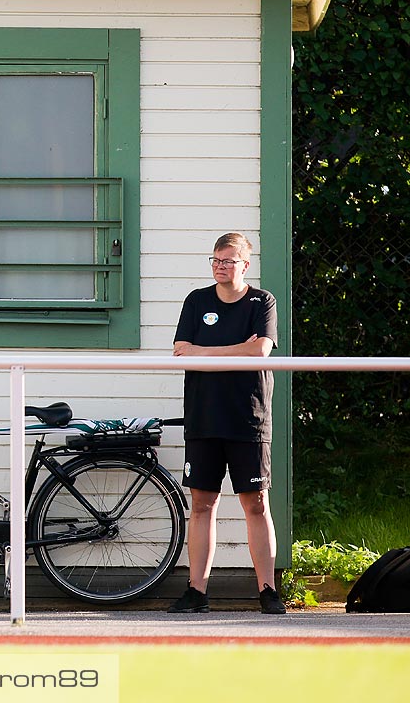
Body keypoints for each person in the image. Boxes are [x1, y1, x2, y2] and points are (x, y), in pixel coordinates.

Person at [168, 232, 284, 615]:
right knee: (201, 503)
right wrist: (235, 351)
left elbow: (260, 352)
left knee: (256, 503)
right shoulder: (197, 301)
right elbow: (183, 354)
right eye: (216, 260)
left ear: (245, 264)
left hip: (248, 417)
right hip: (204, 416)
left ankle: (268, 590)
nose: (220, 266)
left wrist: (208, 352)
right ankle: (196, 592)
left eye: (228, 260)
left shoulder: (261, 301)